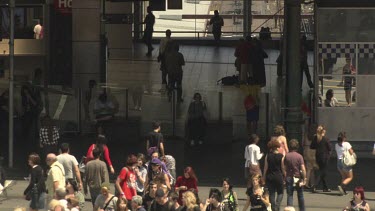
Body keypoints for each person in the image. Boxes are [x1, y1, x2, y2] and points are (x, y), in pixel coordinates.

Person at [263, 139, 285, 211]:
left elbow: (265, 168)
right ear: (277, 147)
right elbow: (282, 167)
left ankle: (273, 207)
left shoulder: (268, 156)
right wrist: (285, 175)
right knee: (280, 192)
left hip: (270, 177)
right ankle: (277, 205)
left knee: (272, 193)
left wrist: (264, 177)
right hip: (279, 176)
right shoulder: (281, 156)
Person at [284, 139, 306, 211]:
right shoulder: (299, 156)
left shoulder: (287, 156)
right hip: (298, 177)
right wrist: (304, 178)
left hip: (289, 176)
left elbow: (284, 168)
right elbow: (303, 168)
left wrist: (285, 176)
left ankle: (289, 209)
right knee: (300, 195)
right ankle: (302, 209)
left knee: (290, 195)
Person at [310, 125, 332, 193]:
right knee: (323, 172)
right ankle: (315, 185)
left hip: (318, 156)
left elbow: (312, 146)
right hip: (325, 157)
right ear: (323, 131)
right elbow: (330, 148)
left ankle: (325, 187)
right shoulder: (326, 139)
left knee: (322, 171)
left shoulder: (316, 138)